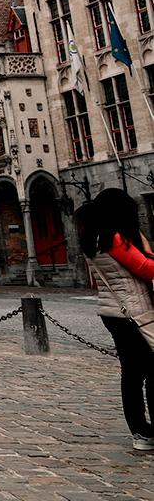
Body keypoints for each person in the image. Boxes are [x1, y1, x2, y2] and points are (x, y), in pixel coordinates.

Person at [78, 188, 154, 451]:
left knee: (132, 373)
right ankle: (145, 432)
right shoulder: (114, 238)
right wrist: (147, 249)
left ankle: (140, 432)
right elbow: (146, 268)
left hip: (114, 312)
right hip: (134, 312)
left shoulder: (92, 238)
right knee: (149, 371)